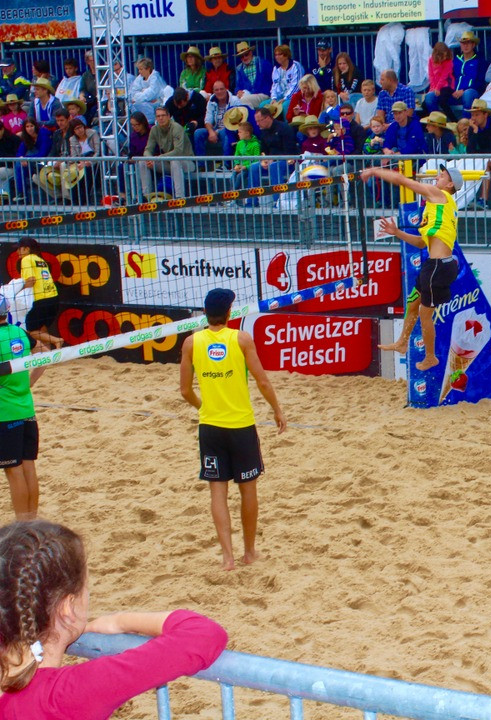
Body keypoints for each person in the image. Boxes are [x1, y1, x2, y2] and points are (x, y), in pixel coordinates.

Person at [0, 520, 229, 716]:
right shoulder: (67, 695)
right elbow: (202, 635)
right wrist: (120, 621)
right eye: (85, 587)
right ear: (68, 608)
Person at [180, 288, 285, 570]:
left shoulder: (191, 342)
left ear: (205, 312)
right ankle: (249, 552)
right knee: (248, 491)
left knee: (218, 492)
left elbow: (184, 391)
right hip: (240, 426)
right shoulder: (241, 339)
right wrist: (277, 409)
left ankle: (227, 557)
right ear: (229, 313)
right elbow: (263, 382)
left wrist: (203, 407)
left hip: (210, 427)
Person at [367, 164, 464, 372]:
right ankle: (403, 342)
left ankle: (431, 357)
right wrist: (396, 232)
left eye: (442, 175)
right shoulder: (439, 206)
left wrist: (375, 171)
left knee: (424, 314)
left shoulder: (440, 195)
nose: (437, 177)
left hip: (438, 267)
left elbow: (403, 181)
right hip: (435, 265)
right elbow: (421, 243)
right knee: (412, 303)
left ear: (449, 185)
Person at [0, 296, 45, 520]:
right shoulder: (19, 333)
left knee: (13, 470)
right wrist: (29, 383)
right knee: (28, 466)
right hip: (27, 409)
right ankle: (31, 520)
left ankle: (21, 523)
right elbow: (44, 354)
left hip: (5, 414)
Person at [140, 106, 196, 200]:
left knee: (175, 161)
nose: (161, 118)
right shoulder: (154, 129)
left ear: (169, 116)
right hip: (167, 163)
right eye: (158, 116)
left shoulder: (176, 127)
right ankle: (147, 196)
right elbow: (148, 149)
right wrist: (150, 159)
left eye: (163, 115)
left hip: (186, 162)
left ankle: (179, 197)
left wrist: (159, 158)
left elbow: (178, 151)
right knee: (143, 162)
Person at [16, 238, 62, 350]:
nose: (17, 252)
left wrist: (15, 289)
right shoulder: (40, 260)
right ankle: (49, 354)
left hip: (41, 299)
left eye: (19, 248)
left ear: (26, 249)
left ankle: (57, 340)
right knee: (41, 329)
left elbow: (31, 281)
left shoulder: (26, 259)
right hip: (54, 298)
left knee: (30, 331)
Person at [195, 81, 241, 159]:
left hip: (231, 130)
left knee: (225, 133)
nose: (219, 92)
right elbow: (208, 120)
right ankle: (201, 165)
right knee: (198, 133)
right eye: (216, 90)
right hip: (215, 129)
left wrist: (216, 132)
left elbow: (236, 122)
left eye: (221, 89)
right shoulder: (211, 101)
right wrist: (211, 132)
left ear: (226, 89)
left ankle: (225, 164)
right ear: (213, 91)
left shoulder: (234, 101)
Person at [14, 119, 50, 202]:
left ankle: (22, 193)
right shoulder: (27, 138)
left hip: (46, 161)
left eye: (31, 126)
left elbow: (43, 153)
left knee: (20, 166)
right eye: (27, 126)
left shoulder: (43, 135)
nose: (29, 129)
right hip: (34, 163)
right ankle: (22, 195)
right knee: (19, 164)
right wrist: (22, 158)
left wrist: (27, 158)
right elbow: (19, 153)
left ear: (35, 126)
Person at [452, 32, 485, 114]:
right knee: (431, 97)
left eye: (468, 43)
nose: (465, 46)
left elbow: (480, 82)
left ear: (473, 45)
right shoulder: (455, 60)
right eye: (463, 43)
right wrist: (450, 91)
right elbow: (449, 78)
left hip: (471, 92)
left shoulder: (480, 61)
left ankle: (465, 125)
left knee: (468, 94)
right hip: (454, 93)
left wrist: (463, 90)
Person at [424, 42, 457, 121]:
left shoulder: (448, 61)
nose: (445, 57)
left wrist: (438, 88)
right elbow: (431, 75)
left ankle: (454, 120)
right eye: (443, 55)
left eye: (446, 55)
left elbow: (444, 76)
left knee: (442, 101)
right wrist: (433, 88)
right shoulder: (431, 60)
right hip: (435, 86)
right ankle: (433, 122)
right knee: (425, 104)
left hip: (446, 86)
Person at [233, 43, 269, 108]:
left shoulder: (262, 63)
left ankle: (251, 118)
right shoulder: (239, 68)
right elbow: (238, 86)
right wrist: (238, 91)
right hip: (247, 96)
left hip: (263, 94)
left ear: (251, 53)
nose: (244, 58)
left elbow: (270, 81)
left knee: (244, 100)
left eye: (246, 55)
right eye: (241, 56)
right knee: (234, 100)